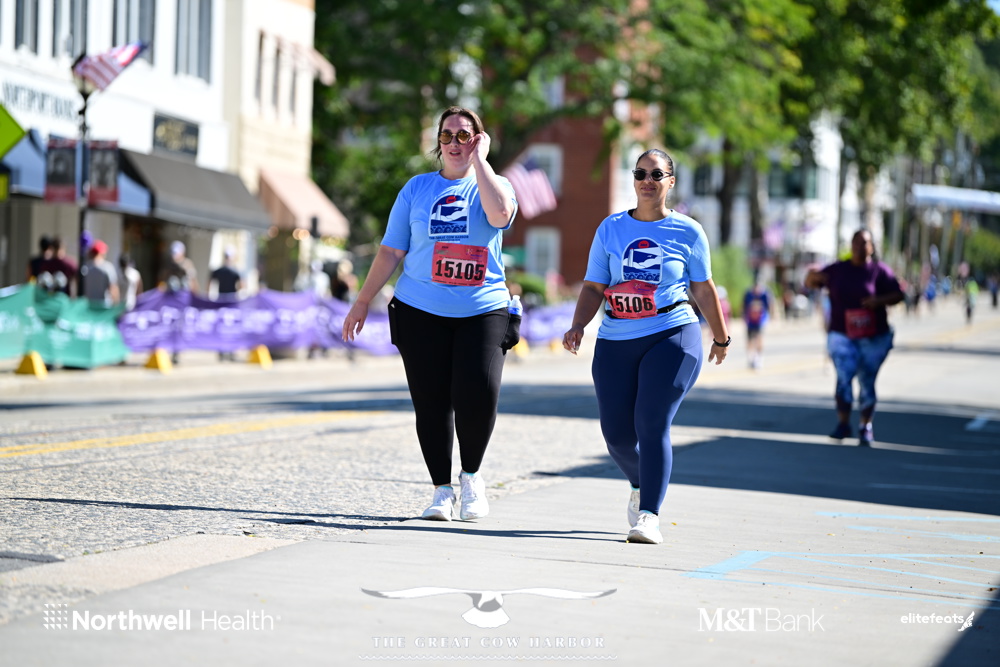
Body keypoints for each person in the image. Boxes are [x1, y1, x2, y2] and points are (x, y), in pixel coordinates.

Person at [342, 106, 518, 522]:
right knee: (431, 403)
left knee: (478, 395)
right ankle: (441, 491)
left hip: (483, 309)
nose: (455, 143)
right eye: (447, 135)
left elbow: (500, 216)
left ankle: (471, 478)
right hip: (420, 309)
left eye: (464, 135)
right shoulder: (417, 188)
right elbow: (391, 250)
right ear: (438, 142)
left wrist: (482, 162)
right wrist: (363, 300)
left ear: (478, 139)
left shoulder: (495, 184)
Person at [561, 148, 730, 545]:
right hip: (616, 337)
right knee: (617, 437)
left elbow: (704, 288)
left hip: (671, 334)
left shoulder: (688, 231)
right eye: (640, 174)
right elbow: (594, 286)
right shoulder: (611, 228)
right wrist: (578, 325)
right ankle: (642, 482)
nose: (647, 181)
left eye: (656, 175)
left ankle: (649, 515)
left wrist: (721, 337)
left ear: (671, 182)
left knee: (651, 424)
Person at [804, 228, 904, 447]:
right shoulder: (838, 269)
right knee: (843, 379)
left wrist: (878, 301)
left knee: (867, 381)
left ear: (872, 247)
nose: (859, 247)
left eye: (864, 243)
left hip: (872, 337)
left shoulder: (879, 271)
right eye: (856, 242)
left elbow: (899, 294)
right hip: (842, 334)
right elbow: (812, 282)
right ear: (851, 246)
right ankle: (843, 423)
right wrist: (811, 276)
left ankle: (865, 426)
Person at [210, 246, 243, 361]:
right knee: (229, 327)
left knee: (223, 326)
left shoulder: (221, 271)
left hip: (222, 301)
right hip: (231, 302)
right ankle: (229, 351)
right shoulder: (234, 271)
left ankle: (223, 351)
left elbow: (210, 281)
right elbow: (241, 285)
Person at [80, 240, 120, 307]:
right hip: (103, 307)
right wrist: (116, 306)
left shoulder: (85, 268)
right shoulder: (107, 267)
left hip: (89, 306)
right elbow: (113, 289)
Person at [743, 281, 772, 369]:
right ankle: (750, 357)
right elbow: (744, 306)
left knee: (759, 338)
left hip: (760, 320)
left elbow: (770, 306)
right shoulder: (748, 294)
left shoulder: (765, 294)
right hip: (750, 321)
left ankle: (759, 357)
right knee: (750, 339)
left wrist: (771, 316)